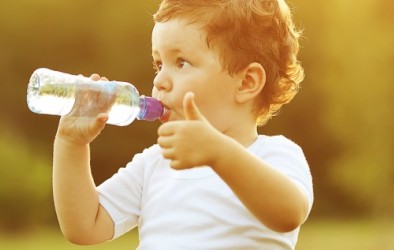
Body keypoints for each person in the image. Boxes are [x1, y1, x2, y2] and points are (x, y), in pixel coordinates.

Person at [52, 0, 312, 248]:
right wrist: (71, 144)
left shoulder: (275, 154)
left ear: (246, 82)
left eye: (181, 63)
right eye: (158, 65)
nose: (160, 81)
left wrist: (219, 153)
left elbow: (289, 213)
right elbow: (86, 226)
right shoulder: (155, 163)